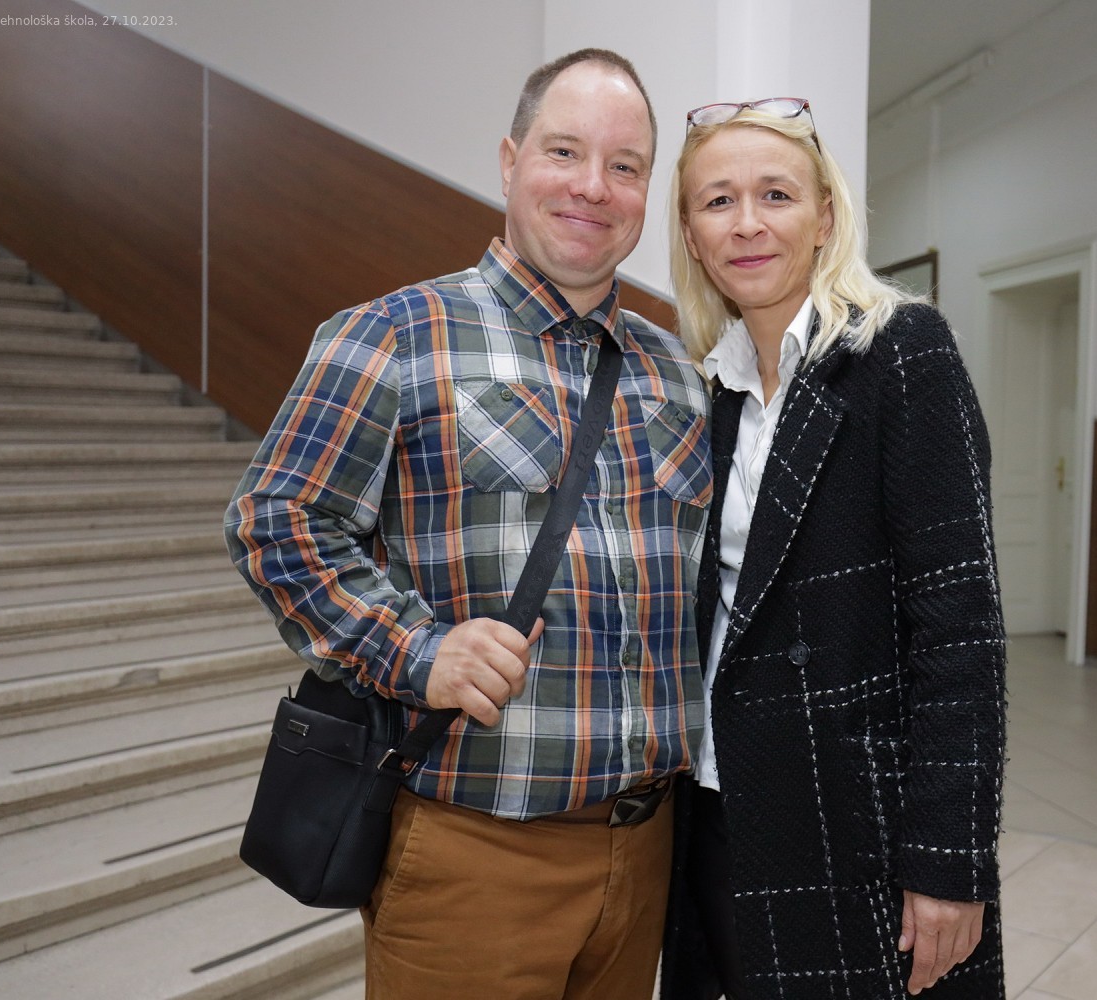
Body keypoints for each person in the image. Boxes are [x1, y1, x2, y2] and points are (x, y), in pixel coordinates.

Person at [225, 49, 712, 1000]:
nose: (593, 186)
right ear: (509, 160)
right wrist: (415, 650)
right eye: (564, 151)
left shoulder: (679, 374)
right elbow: (276, 521)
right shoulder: (394, 335)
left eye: (624, 166)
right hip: (473, 856)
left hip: (649, 852)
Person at [659, 98, 1007, 999]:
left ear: (823, 216)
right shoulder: (710, 390)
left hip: (857, 820)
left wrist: (949, 858)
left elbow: (960, 631)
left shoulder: (901, 353)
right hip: (718, 801)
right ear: (692, 236)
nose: (747, 223)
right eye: (717, 201)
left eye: (775, 194)